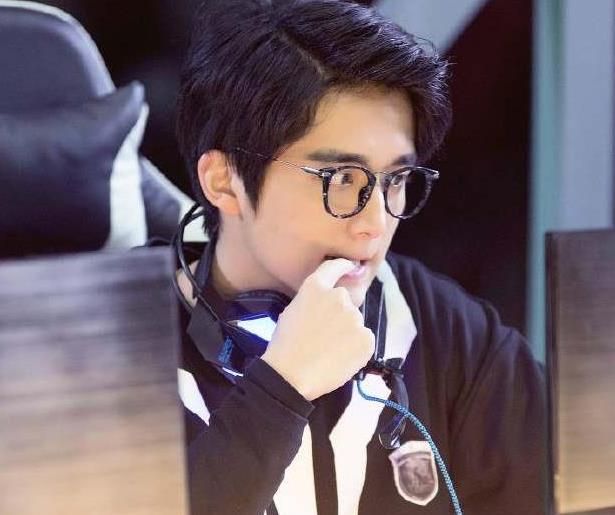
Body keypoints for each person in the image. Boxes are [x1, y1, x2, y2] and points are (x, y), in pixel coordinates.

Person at [173, 1, 546, 514]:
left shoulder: (439, 326)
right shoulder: (121, 348)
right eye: (341, 179)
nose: (375, 221)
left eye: (396, 179)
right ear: (225, 182)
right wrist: (281, 390)